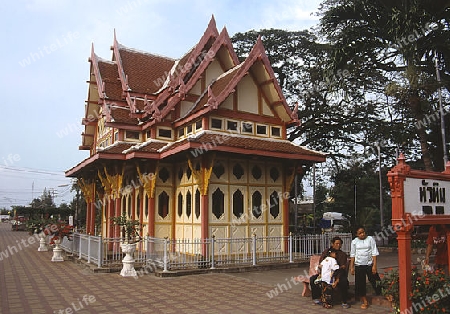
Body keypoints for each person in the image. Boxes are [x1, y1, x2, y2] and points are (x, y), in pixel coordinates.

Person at [310, 236, 350, 308]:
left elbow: (341, 268)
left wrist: (337, 280)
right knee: (313, 279)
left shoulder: (342, 255)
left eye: (340, 244)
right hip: (325, 274)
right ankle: (317, 298)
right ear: (332, 244)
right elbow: (321, 263)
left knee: (344, 282)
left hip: (337, 274)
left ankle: (344, 301)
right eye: (336, 243)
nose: (338, 245)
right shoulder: (326, 252)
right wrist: (321, 273)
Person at [350, 227, 382, 310]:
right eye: (360, 233)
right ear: (356, 234)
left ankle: (383, 294)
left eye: (363, 232)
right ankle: (365, 301)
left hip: (369, 264)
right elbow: (353, 255)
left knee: (375, 280)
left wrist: (374, 265)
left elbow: (374, 252)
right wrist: (351, 267)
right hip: (359, 265)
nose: (362, 234)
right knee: (360, 284)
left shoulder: (370, 239)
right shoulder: (354, 242)